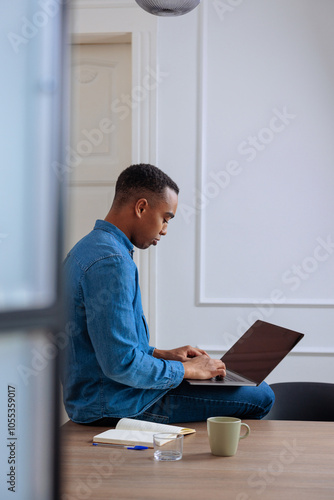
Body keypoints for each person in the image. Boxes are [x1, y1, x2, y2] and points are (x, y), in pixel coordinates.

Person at [62, 164, 274, 425]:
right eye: (165, 218)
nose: (164, 230)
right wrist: (186, 370)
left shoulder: (88, 249)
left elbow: (106, 346)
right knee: (261, 395)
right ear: (141, 208)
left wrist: (163, 354)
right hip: (116, 404)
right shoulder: (112, 262)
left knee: (248, 388)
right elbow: (120, 365)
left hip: (97, 397)